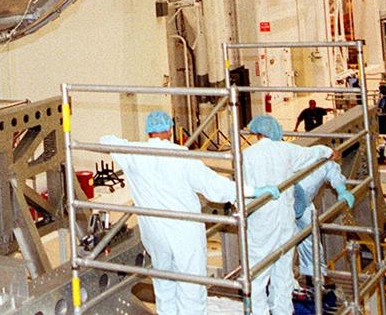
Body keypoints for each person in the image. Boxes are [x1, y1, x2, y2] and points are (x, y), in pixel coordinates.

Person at [100, 111, 272, 315]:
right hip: (184, 232)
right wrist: (250, 191)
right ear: (169, 130)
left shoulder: (133, 154)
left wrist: (130, 144)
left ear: (148, 131)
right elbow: (214, 186)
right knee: (191, 286)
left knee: (164, 285)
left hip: (155, 234)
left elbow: (106, 140)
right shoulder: (181, 156)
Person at [242, 115, 337, 315]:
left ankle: (257, 312)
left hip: (260, 219)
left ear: (257, 133)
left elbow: (242, 188)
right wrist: (328, 151)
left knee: (257, 272)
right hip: (285, 218)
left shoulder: (247, 155)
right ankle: (282, 311)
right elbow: (311, 154)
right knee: (283, 271)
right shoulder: (286, 150)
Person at [292, 159, 355, 286]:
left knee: (311, 239)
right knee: (283, 245)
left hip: (304, 204)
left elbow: (333, 172)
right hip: (283, 204)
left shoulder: (325, 164)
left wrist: (341, 190)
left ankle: (314, 275)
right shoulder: (302, 157)